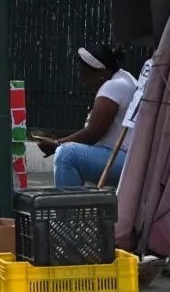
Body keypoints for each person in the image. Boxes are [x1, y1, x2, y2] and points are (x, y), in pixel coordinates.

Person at [38, 45, 136, 187]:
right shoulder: (125, 79)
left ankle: (68, 209)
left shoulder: (113, 86)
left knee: (66, 155)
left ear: (101, 72)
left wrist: (57, 144)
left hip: (123, 160)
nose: (83, 81)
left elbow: (92, 133)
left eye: (85, 74)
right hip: (128, 158)